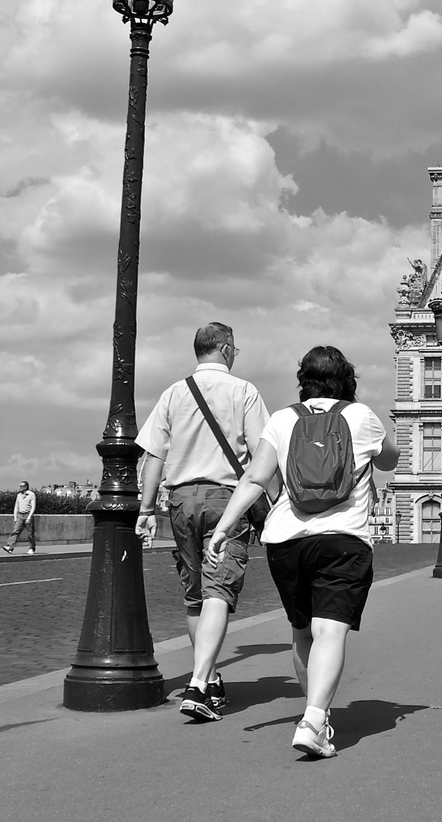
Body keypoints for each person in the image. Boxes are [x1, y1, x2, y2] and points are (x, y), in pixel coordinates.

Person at [207, 345, 398, 759]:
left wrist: (223, 527)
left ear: (303, 380)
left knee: (301, 630)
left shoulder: (282, 418)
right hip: (343, 538)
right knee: (330, 630)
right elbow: (389, 461)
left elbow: (256, 477)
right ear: (347, 380)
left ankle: (315, 714)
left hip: (285, 540)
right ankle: (313, 719)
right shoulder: (360, 417)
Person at [134, 322, 270, 723]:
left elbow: (154, 457)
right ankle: (198, 686)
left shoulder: (174, 393)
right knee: (218, 590)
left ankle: (208, 677)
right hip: (225, 499)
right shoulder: (243, 391)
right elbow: (263, 456)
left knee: (194, 593)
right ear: (226, 349)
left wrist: (145, 510)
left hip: (179, 500)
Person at [2, 481, 36, 555]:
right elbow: (16, 506)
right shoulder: (19, 495)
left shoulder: (31, 495)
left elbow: (33, 506)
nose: (19, 488)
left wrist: (29, 517)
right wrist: (15, 517)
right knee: (15, 531)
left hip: (27, 514)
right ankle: (10, 547)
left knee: (30, 533)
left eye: (21, 486)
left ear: (26, 487)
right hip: (20, 515)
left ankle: (32, 547)